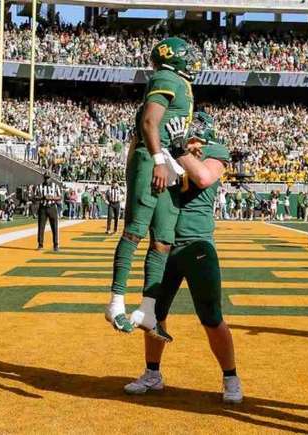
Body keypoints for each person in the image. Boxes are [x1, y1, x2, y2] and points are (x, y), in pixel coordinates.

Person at [124, 114, 242, 404]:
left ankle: (231, 377)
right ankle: (153, 373)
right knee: (154, 315)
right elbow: (135, 172)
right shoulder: (168, 149)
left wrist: (178, 149)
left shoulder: (216, 151)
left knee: (211, 317)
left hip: (197, 243)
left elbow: (203, 177)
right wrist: (143, 141)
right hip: (164, 243)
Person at [104, 37, 200, 333]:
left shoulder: (178, 81)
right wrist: (158, 159)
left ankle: (147, 309)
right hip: (152, 159)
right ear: (172, 57)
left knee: (163, 240)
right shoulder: (166, 77)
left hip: (170, 160)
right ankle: (116, 302)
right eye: (187, 55)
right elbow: (149, 122)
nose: (193, 60)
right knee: (135, 231)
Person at [37, 174, 61, 252]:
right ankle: (40, 245)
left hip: (52, 207)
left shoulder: (55, 186)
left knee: (54, 227)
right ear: (43, 178)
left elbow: (60, 197)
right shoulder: (39, 186)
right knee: (41, 227)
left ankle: (56, 245)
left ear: (51, 178)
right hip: (43, 208)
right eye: (45, 178)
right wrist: (43, 197)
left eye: (48, 178)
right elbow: (35, 197)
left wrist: (52, 198)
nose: (47, 180)